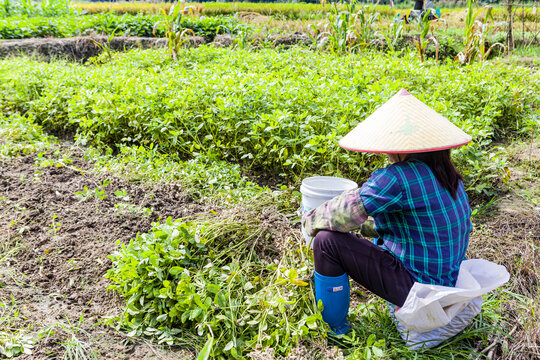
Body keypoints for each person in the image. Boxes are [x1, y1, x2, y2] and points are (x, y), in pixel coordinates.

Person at [301, 89, 473, 335]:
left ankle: (335, 328)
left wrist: (309, 220)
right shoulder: (447, 175)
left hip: (418, 290)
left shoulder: (398, 177)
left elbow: (344, 212)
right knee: (360, 234)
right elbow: (408, 226)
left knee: (327, 242)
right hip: (446, 283)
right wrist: (362, 227)